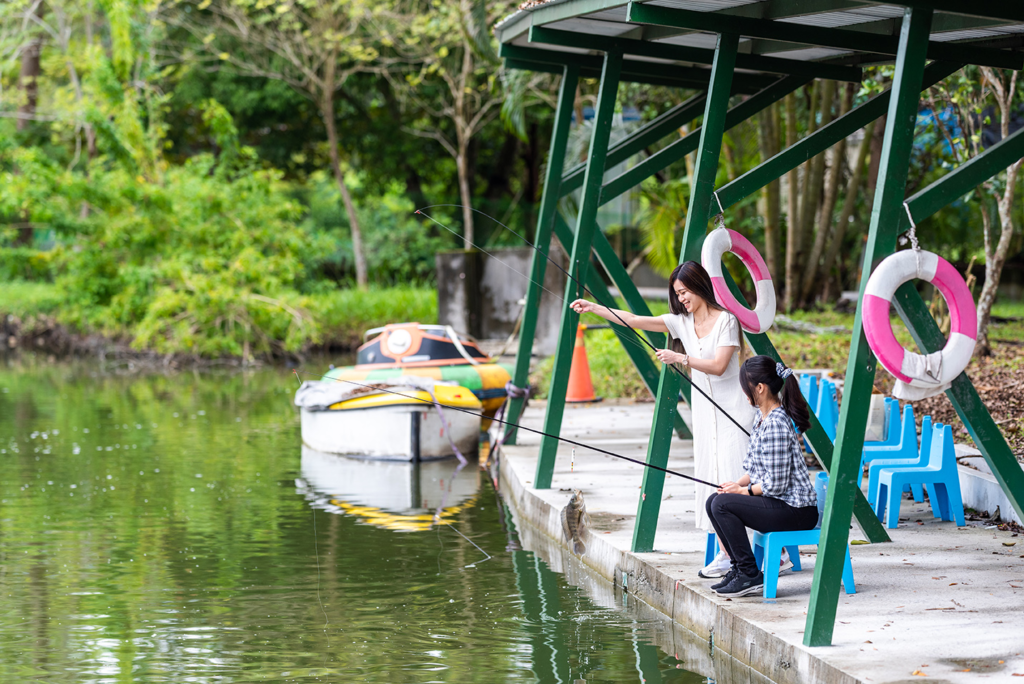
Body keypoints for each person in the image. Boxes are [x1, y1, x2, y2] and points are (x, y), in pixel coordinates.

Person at [570, 261, 754, 577]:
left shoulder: (727, 321)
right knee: (712, 476)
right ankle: (729, 553)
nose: (681, 298)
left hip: (734, 409)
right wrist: (594, 307)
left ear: (699, 286)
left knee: (735, 475)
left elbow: (720, 365)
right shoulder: (680, 322)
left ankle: (756, 553)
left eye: (684, 291)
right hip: (705, 414)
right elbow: (631, 319)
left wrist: (680, 357)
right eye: (677, 294)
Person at [704, 356, 819, 598]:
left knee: (722, 504)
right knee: (715, 499)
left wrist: (743, 493)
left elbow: (775, 484)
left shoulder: (776, 423)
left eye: (746, 388)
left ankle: (749, 574)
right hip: (781, 503)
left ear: (760, 388)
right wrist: (737, 484)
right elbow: (755, 468)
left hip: (796, 510)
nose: (744, 393)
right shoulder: (762, 417)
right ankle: (740, 569)